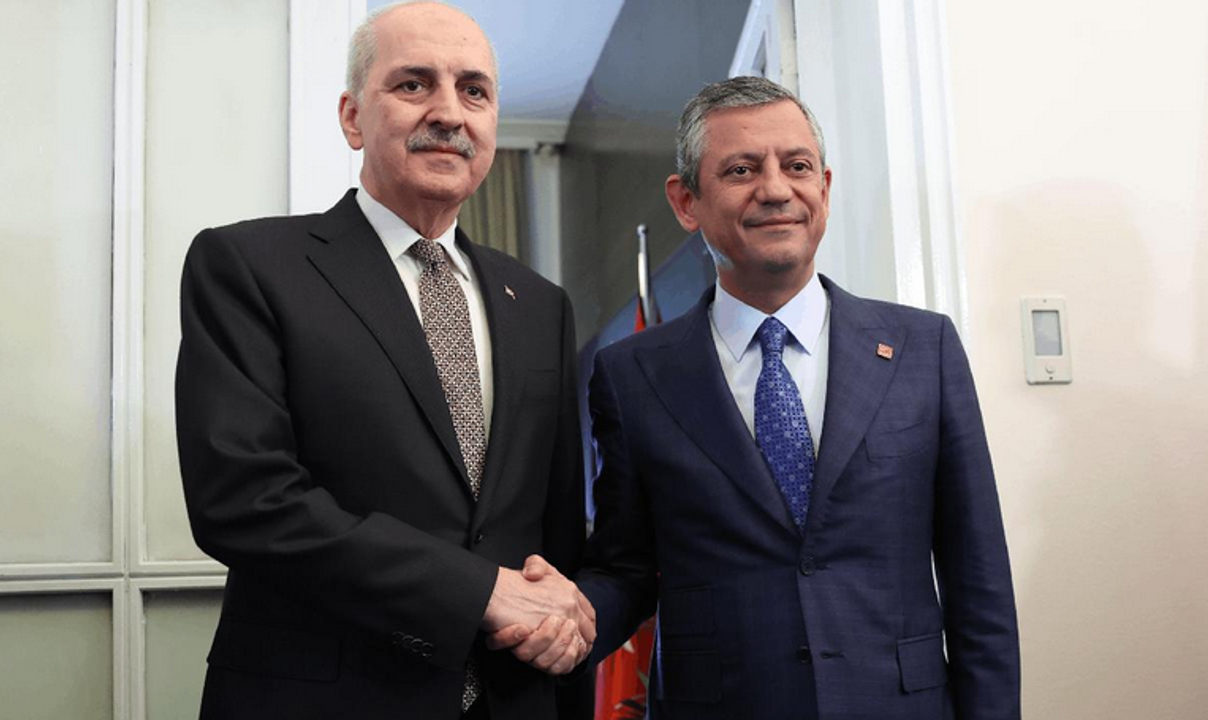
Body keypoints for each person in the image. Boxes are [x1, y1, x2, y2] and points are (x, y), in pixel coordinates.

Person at [495, 76, 1021, 719]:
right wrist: (568, 618)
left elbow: (978, 578)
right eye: (741, 170)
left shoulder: (924, 348)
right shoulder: (633, 376)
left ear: (824, 187)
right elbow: (626, 569)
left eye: (797, 166)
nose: (775, 189)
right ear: (686, 201)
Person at [175, 3, 594, 719]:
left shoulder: (541, 303)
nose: (449, 113)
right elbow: (243, 501)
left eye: (474, 91)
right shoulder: (248, 265)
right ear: (352, 118)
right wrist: (476, 591)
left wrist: (564, 637)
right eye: (413, 84)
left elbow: (553, 534)